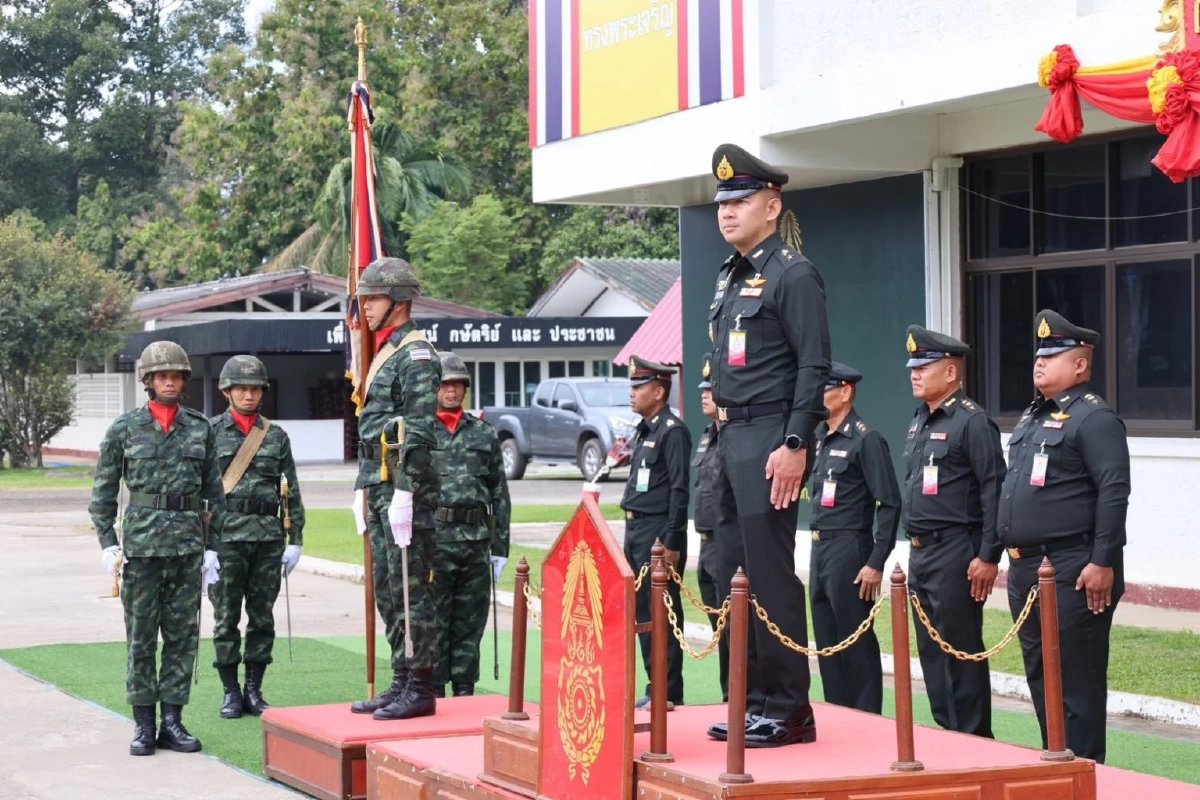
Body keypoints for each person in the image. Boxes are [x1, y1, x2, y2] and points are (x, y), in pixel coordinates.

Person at [705, 144, 831, 748]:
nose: (727, 212)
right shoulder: (732, 277)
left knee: (770, 574)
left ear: (772, 205)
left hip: (770, 438)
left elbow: (814, 364)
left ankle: (789, 707)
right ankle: (749, 699)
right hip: (730, 437)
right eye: (722, 202)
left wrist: (795, 442)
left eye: (741, 200)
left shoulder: (792, 273)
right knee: (729, 571)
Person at [998, 310, 1129, 763]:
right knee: (1041, 678)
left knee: (1076, 682)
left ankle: (1085, 773)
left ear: (1080, 365)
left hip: (1073, 567)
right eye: (1038, 355)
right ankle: (1056, 766)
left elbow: (1114, 491)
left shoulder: (1094, 419)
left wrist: (1103, 561)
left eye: (1053, 355)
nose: (1039, 362)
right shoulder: (1033, 418)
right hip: (1026, 569)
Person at [89, 341, 225, 756]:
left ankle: (174, 722)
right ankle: (144, 725)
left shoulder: (200, 428)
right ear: (147, 381)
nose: (169, 381)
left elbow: (214, 493)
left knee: (183, 638)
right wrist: (108, 544)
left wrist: (211, 549)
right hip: (142, 551)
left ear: (184, 380)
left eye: (176, 375)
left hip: (186, 549)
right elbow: (103, 492)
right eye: (161, 375)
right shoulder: (124, 429)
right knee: (142, 639)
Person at [348, 257, 442, 721]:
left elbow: (421, 428)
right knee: (388, 588)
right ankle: (402, 677)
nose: (364, 307)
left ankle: (421, 685)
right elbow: (375, 429)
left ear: (399, 301)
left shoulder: (415, 354)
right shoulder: (389, 349)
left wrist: (405, 491)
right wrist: (362, 487)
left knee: (410, 586)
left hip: (406, 489)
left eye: (373, 298)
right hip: (380, 484)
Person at [900, 325, 1004, 738]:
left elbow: (995, 490)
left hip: (956, 550)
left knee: (960, 649)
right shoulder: (919, 422)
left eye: (924, 366)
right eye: (913, 366)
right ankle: (947, 734)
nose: (914, 373)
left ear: (950, 372)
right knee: (930, 652)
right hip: (921, 552)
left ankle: (975, 740)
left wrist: (988, 555)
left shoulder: (972, 423)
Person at [208, 355, 305, 719]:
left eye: (255, 389)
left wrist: (295, 537)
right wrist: (205, 546)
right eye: (241, 389)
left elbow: (290, 489)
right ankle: (231, 692)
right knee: (226, 617)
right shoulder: (209, 432)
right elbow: (202, 490)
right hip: (226, 539)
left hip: (267, 540)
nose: (249, 395)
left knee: (262, 617)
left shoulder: (276, 436)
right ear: (227, 391)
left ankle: (254, 688)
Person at [806, 362, 900, 714]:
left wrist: (876, 562)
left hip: (849, 548)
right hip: (819, 549)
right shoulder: (819, 437)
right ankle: (837, 713)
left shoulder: (865, 438)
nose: (817, 396)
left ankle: (865, 718)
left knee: (854, 641)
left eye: (824, 389)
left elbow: (889, 503)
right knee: (828, 642)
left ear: (845, 392)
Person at [428, 351, 511, 698]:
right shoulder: (419, 432)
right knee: (433, 621)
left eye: (458, 384)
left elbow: (499, 493)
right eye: (446, 384)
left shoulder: (483, 433)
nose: (452, 390)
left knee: (470, 620)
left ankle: (464, 689)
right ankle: (432, 689)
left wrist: (500, 548)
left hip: (475, 541)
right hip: (433, 541)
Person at [619, 356, 692, 708]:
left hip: (657, 532)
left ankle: (667, 690)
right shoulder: (645, 429)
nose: (632, 393)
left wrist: (673, 540)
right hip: (635, 528)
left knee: (661, 613)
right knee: (642, 614)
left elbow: (680, 490)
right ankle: (654, 687)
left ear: (659, 391)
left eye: (639, 387)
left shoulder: (672, 430)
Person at [692, 356, 728, 702]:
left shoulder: (731, 436)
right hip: (705, 542)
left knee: (733, 626)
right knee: (719, 627)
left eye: (711, 389)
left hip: (725, 540)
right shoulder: (707, 437)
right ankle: (727, 695)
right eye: (703, 388)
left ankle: (737, 698)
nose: (704, 394)